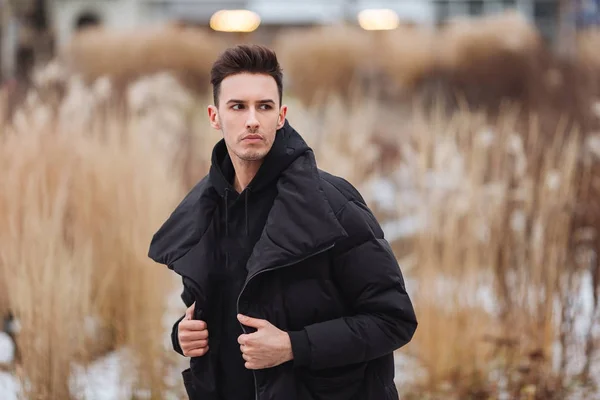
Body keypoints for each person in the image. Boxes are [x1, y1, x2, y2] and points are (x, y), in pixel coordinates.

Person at [148, 44, 417, 400]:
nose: (252, 120)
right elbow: (215, 312)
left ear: (281, 115)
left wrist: (294, 346)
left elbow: (393, 320)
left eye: (264, 106)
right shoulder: (205, 209)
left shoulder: (331, 204)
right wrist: (183, 335)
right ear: (214, 117)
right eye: (238, 106)